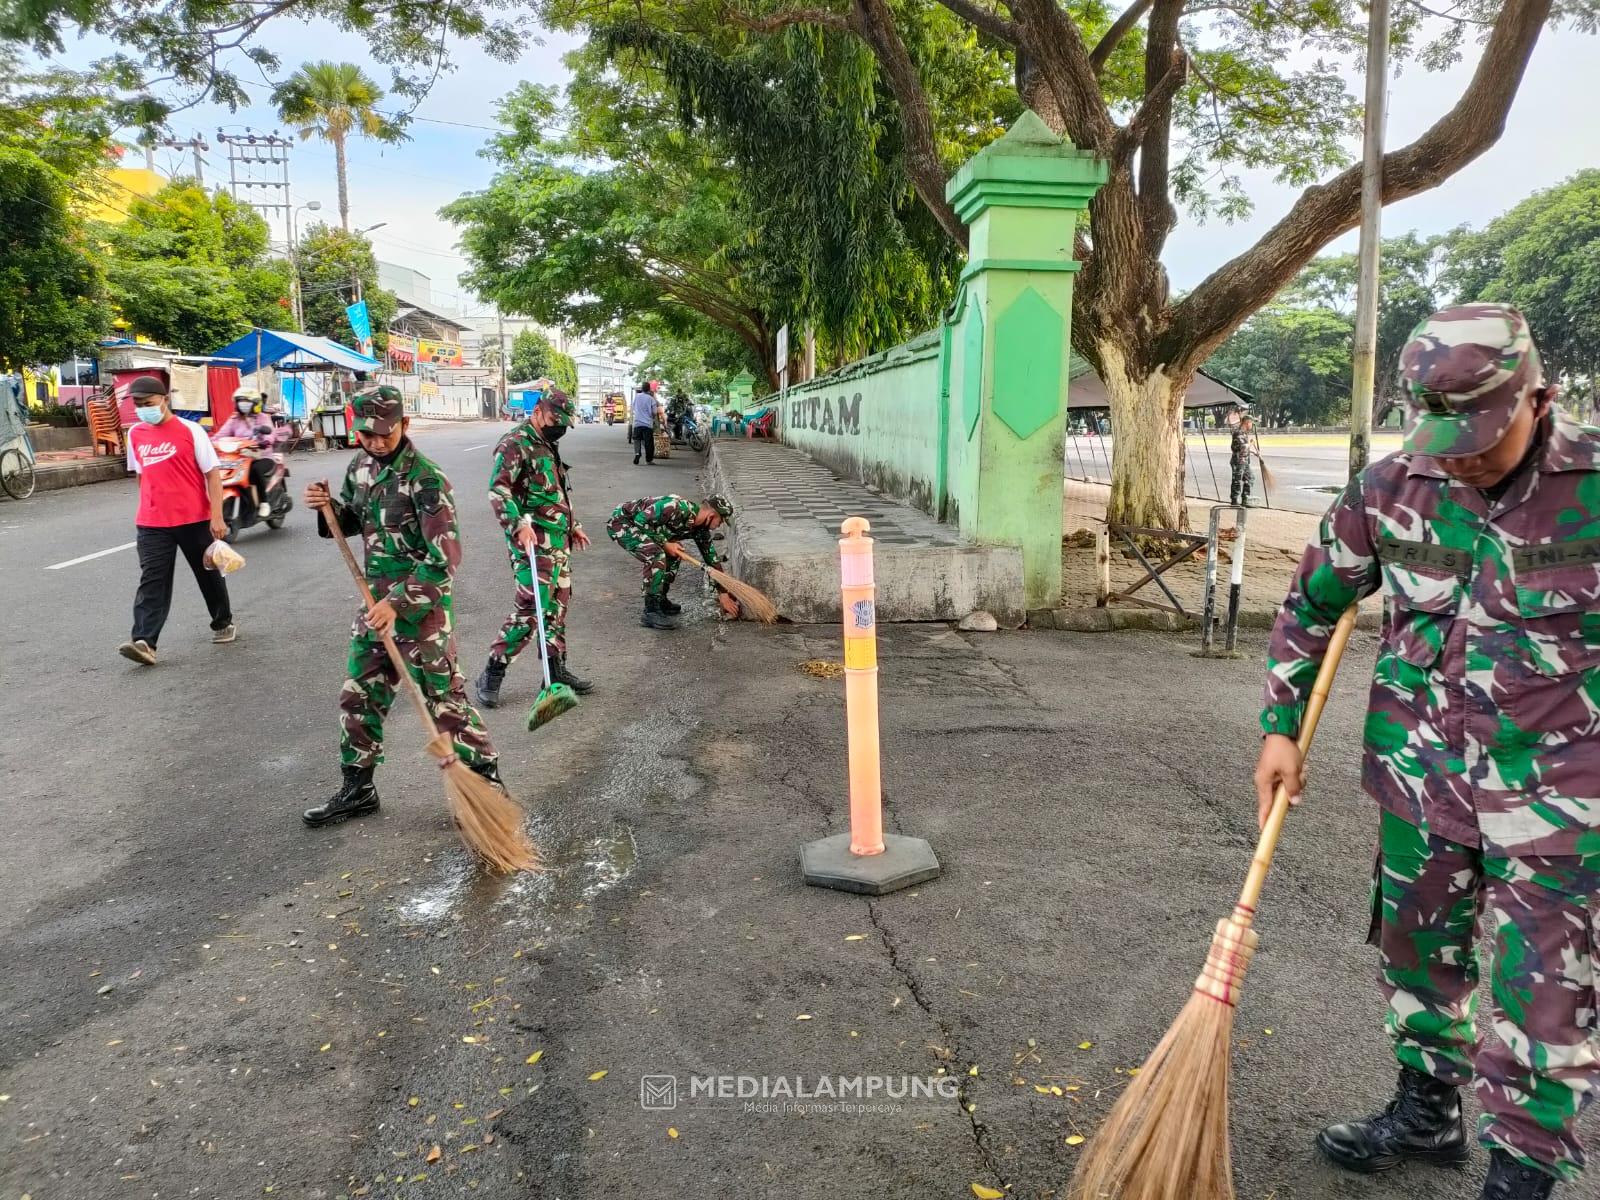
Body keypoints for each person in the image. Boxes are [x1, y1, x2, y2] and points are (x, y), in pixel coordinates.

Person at [1254, 304, 1600, 1200]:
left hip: (1560, 794)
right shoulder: (1392, 485)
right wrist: (1280, 730)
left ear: (1539, 397)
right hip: (1420, 775)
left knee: (1544, 991)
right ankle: (1428, 1109)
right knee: (1415, 949)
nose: (1461, 456)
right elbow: (1311, 602)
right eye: (1443, 434)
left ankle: (1520, 1175)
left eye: (1481, 435)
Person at [301, 386, 501, 827]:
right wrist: (327, 508)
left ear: (403, 426)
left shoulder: (427, 480)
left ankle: (487, 784)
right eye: (366, 434)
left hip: (420, 610)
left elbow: (445, 559)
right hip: (375, 605)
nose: (374, 442)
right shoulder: (361, 466)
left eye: (382, 435)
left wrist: (397, 604)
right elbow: (354, 520)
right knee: (359, 694)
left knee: (444, 700)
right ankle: (359, 787)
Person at [475, 385, 593, 708]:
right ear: (537, 411)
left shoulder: (546, 443)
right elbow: (499, 491)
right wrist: (518, 524)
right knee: (530, 610)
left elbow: (555, 492)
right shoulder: (515, 444)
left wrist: (574, 526)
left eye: (565, 422)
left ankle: (554, 673)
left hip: (558, 543)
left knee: (557, 607)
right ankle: (492, 672)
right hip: (532, 544)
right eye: (556, 418)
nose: (561, 426)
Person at [118, 375, 235, 665]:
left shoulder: (191, 431)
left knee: (207, 574)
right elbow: (141, 476)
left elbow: (212, 474)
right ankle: (145, 641)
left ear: (165, 400)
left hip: (194, 518)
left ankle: (222, 622)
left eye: (149, 403)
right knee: (152, 580)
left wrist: (216, 516)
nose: (144, 409)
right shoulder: (135, 434)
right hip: (152, 522)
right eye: (139, 405)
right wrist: (148, 506)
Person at [606, 493, 737, 629]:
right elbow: (640, 520)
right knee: (657, 555)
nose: (719, 525)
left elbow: (712, 560)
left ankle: (660, 598)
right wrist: (665, 543)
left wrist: (723, 593)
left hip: (646, 527)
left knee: (674, 554)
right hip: (623, 523)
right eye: (720, 521)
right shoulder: (676, 507)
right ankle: (651, 610)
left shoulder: (700, 529)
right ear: (711, 516)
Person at [213, 387, 279, 518]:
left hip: (262, 456)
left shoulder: (262, 418)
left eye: (246, 401)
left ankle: (264, 502)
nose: (243, 404)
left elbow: (271, 435)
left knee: (254, 470)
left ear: (255, 403)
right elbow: (219, 436)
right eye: (240, 401)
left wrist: (265, 442)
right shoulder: (234, 419)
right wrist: (207, 443)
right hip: (239, 458)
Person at [1229, 412, 1256, 506]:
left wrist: (1253, 452)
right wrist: (1251, 444)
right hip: (1238, 461)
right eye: (1251, 423)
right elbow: (1243, 447)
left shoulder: (1244, 433)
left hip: (1244, 461)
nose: (1252, 426)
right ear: (1247, 422)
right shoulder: (1238, 432)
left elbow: (1244, 449)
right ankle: (1234, 500)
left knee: (1250, 478)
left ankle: (1245, 499)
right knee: (1237, 480)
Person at [631, 381, 657, 465]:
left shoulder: (637, 397)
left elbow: (633, 407)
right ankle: (648, 460)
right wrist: (652, 417)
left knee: (637, 440)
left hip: (637, 423)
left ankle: (637, 453)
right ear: (649, 389)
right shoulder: (651, 399)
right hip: (647, 424)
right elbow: (654, 412)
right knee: (648, 443)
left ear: (642, 389)